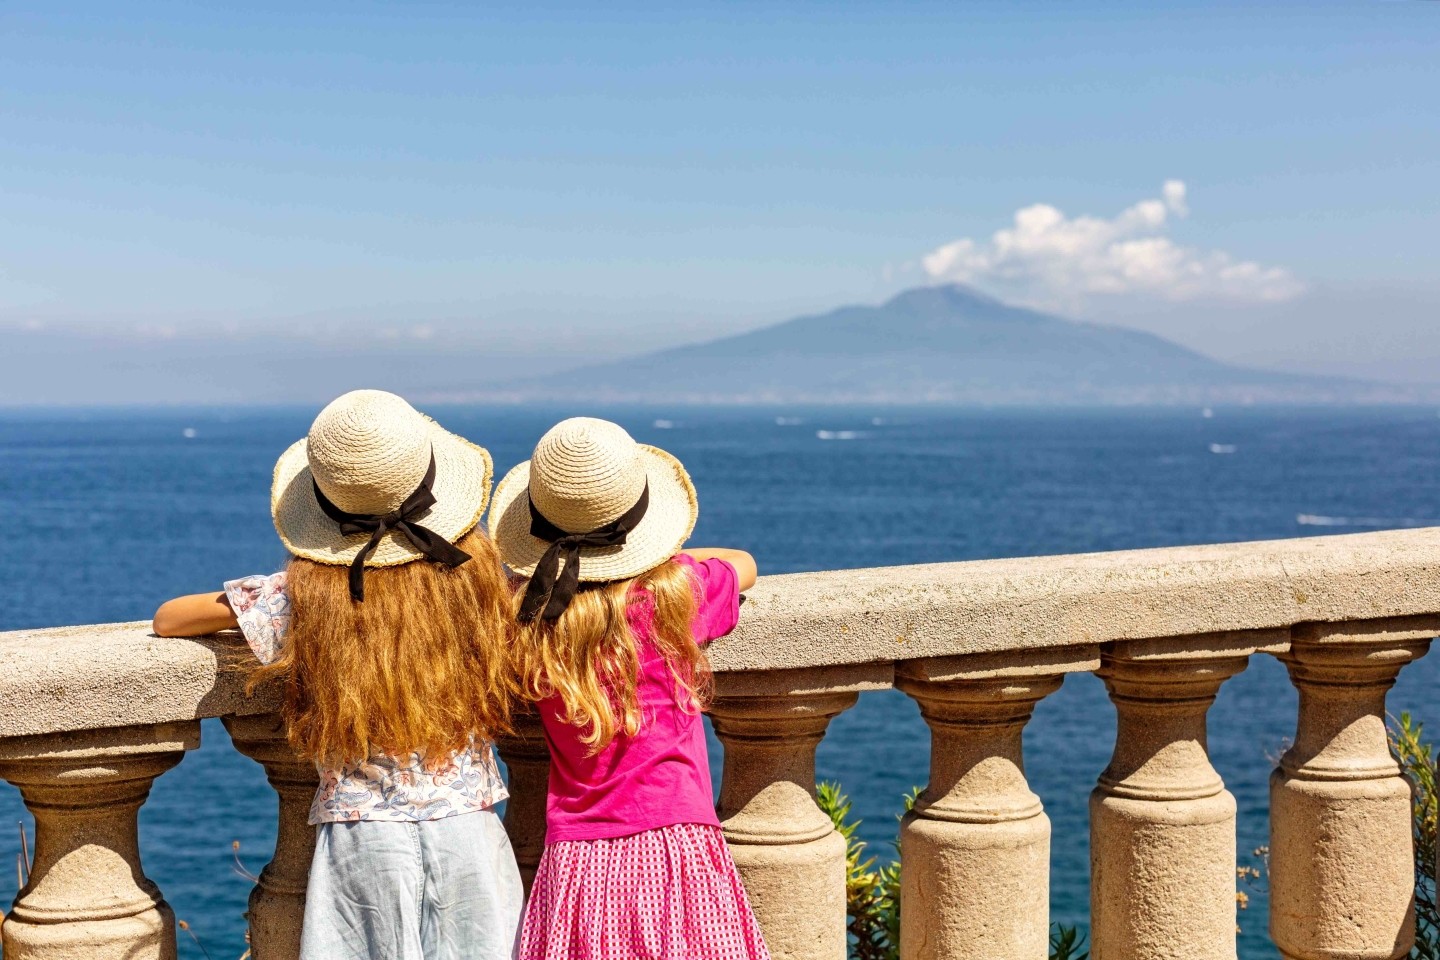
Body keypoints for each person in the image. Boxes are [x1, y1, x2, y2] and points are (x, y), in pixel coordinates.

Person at [152, 389, 522, 960]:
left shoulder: (303, 600)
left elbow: (171, 617)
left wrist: (272, 591)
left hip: (361, 836)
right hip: (468, 829)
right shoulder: (476, 584)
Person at [488, 416, 768, 960]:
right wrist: (663, 560)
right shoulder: (677, 597)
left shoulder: (531, 617)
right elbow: (743, 564)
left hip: (579, 859)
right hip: (678, 849)